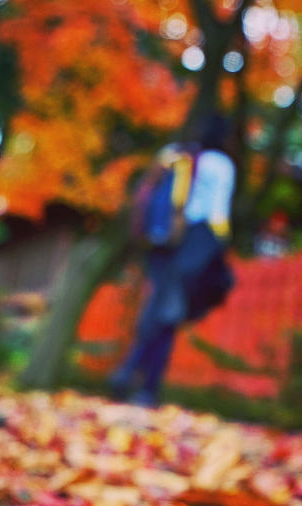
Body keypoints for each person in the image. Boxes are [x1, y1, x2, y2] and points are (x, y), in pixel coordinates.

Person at [111, 115, 236, 406]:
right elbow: (218, 213)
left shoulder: (173, 155)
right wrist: (219, 247)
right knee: (167, 314)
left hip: (162, 240)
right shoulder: (220, 165)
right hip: (194, 241)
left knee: (158, 307)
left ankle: (130, 373)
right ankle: (143, 384)